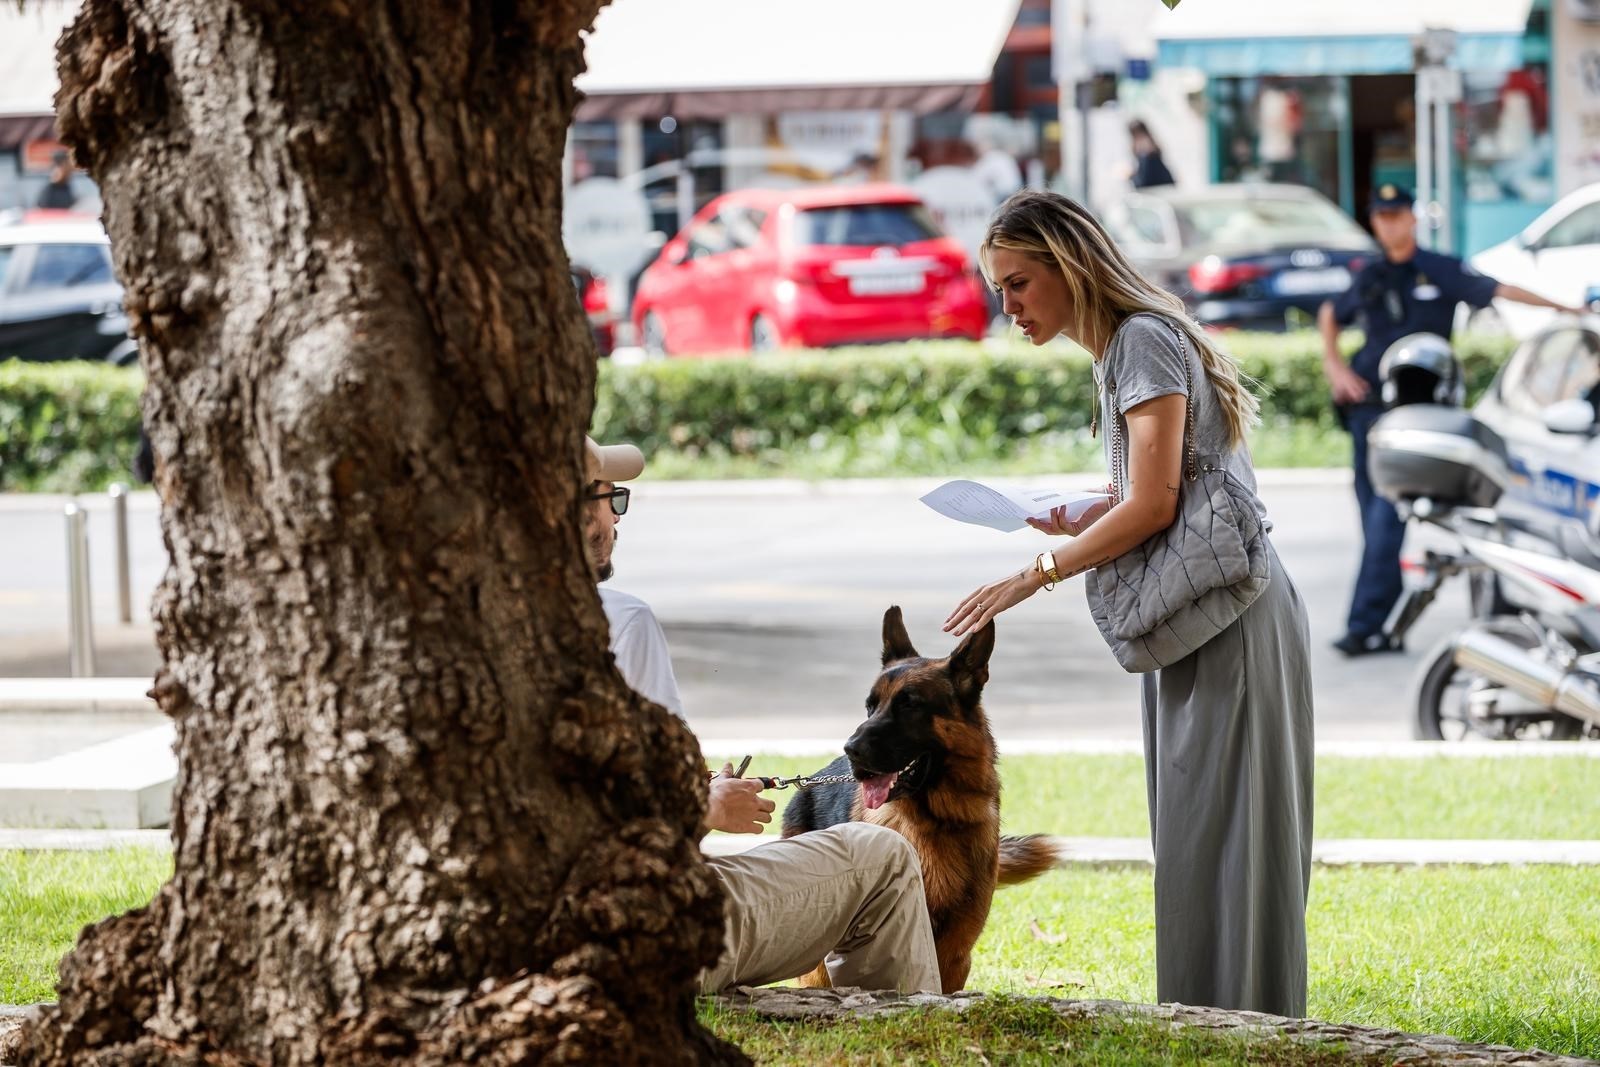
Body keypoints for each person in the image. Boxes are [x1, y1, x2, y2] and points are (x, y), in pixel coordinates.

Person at [944, 190, 1314, 1018]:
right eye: (998, 288)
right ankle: (1215, 1021)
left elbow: (1153, 505)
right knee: (1198, 835)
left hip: (1227, 618)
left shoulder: (1142, 341)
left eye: (1018, 284)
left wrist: (1033, 570)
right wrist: (1080, 510)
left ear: (1068, 266)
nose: (1007, 307)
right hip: (1201, 613)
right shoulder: (1124, 350)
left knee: (1230, 839)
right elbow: (1151, 492)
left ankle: (1245, 1027)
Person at [580, 436, 941, 995]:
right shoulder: (618, 622)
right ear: (579, 513)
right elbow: (630, 829)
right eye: (612, 499)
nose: (617, 521)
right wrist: (707, 806)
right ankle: (902, 1023)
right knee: (884, 854)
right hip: (635, 938)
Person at [1317, 184, 1584, 657]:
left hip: (1416, 415)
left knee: (1385, 521)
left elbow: (1499, 290)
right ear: (1375, 221)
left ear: (1412, 219)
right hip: (1367, 413)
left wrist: (1568, 309)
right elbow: (1329, 314)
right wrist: (1336, 369)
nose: (1389, 224)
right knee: (1372, 521)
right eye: (1381, 216)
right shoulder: (1371, 273)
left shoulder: (1439, 269)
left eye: (1397, 215)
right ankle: (1382, 618)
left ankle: (1364, 627)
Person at [1127, 121, 1174, 190]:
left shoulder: (1148, 152)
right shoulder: (1141, 150)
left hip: (1158, 183)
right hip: (1153, 183)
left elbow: (1143, 181)